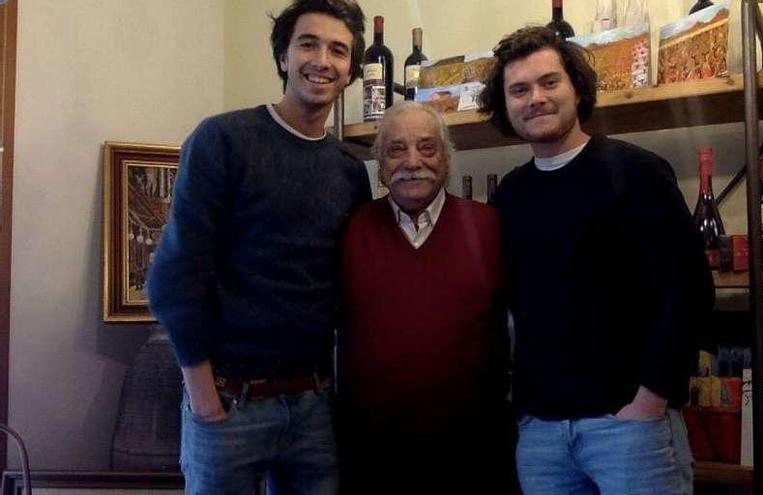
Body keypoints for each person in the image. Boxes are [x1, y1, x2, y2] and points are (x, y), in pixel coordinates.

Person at [146, 1, 371, 494]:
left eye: (339, 50)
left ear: (351, 70)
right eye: (308, 43)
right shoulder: (222, 140)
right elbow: (173, 275)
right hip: (229, 403)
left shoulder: (350, 171)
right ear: (284, 56)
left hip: (314, 407)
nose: (323, 60)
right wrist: (204, 396)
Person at [478, 26, 715, 495]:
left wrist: (650, 399)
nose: (535, 99)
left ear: (577, 88)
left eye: (549, 82)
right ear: (505, 105)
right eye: (519, 90)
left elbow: (688, 290)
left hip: (628, 426)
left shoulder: (637, 172)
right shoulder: (510, 195)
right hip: (541, 433)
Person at [337, 101, 515, 494]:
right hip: (372, 454)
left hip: (474, 452)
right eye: (396, 150)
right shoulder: (351, 230)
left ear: (447, 158)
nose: (412, 161)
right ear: (380, 164)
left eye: (427, 147)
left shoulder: (490, 226)